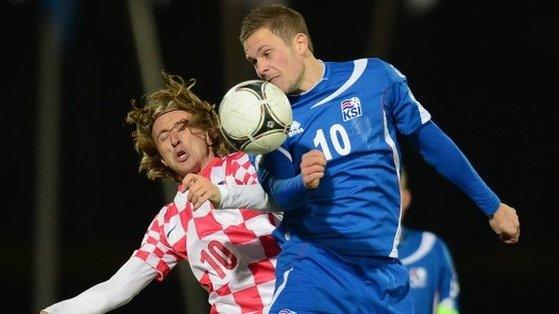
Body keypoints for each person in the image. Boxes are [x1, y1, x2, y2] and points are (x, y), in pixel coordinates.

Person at [236, 4, 520, 313]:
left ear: (300, 43)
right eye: (253, 61)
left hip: (382, 276)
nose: (261, 68)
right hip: (314, 267)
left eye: (267, 53)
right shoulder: (268, 121)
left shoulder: (373, 78)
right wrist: (302, 183)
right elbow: (277, 193)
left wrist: (492, 205)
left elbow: (433, 144)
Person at [41, 73, 282, 314]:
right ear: (163, 160)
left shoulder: (245, 165)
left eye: (183, 128)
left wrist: (223, 194)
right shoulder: (170, 221)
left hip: (291, 302)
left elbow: (287, 202)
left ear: (208, 134)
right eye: (163, 137)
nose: (175, 140)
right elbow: (117, 288)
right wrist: (57, 311)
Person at [396, 170, 460, 314]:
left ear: (406, 199)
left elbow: (448, 305)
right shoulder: (353, 252)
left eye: (391, 191)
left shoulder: (431, 247)